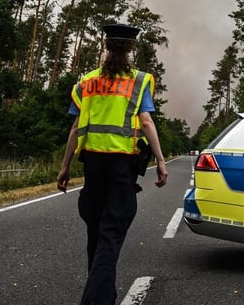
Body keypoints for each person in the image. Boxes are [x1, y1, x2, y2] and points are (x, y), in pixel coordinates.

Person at [57, 22, 168, 305]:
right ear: (131, 49)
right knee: (111, 234)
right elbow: (145, 121)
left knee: (96, 231)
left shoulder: (87, 81)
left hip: (92, 166)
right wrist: (160, 159)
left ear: (106, 46)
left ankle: (102, 293)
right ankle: (96, 300)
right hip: (121, 167)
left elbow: (74, 128)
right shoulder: (139, 80)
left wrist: (65, 166)